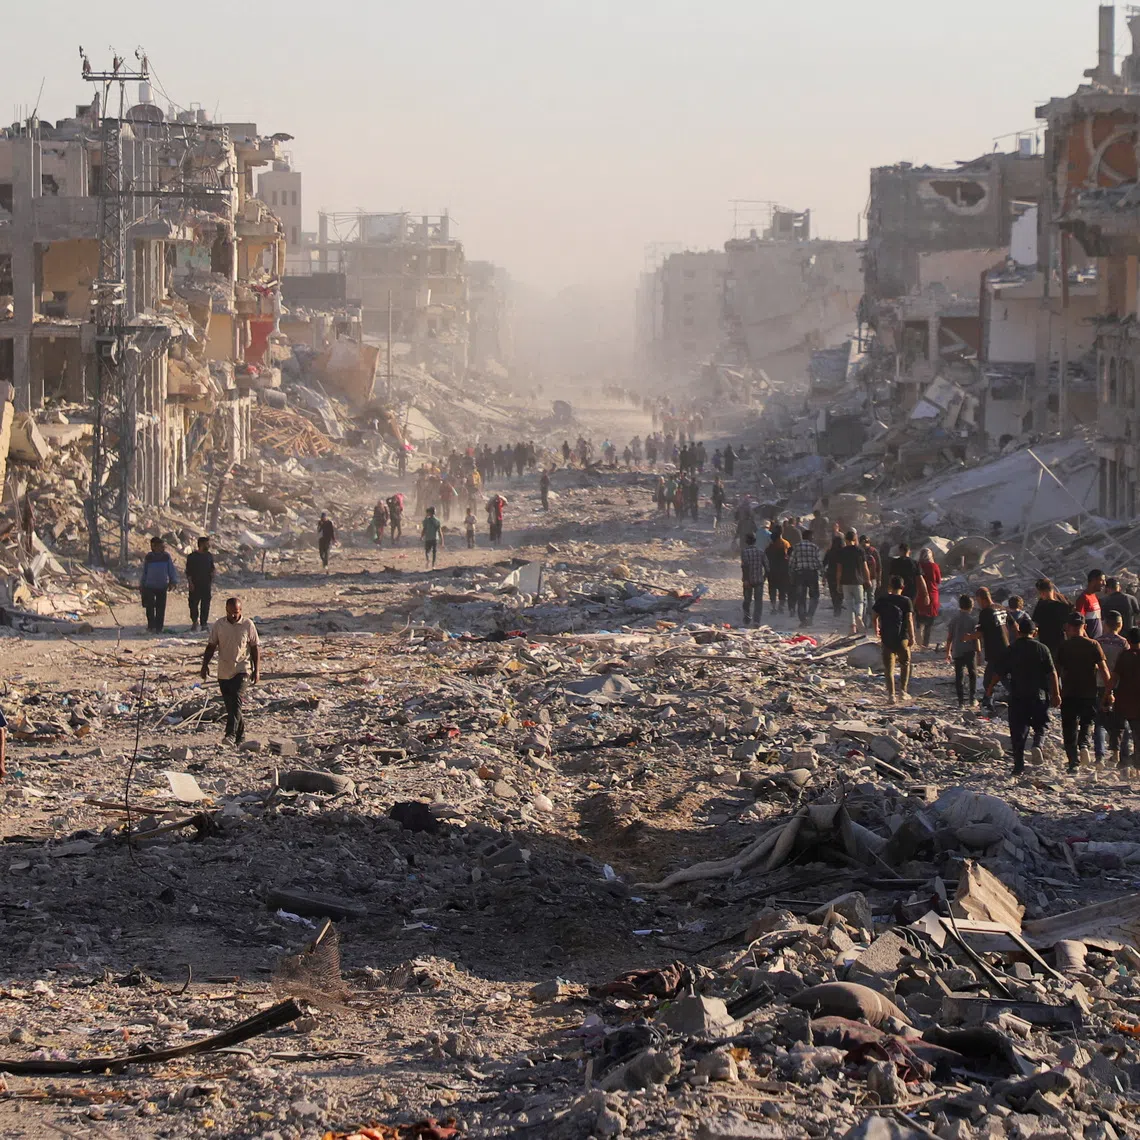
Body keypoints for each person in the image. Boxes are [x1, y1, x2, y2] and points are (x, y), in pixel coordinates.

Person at [987, 617, 1060, 775]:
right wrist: (1056, 694)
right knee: (1041, 724)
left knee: (1018, 731)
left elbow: (998, 673)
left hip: (1017, 696)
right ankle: (1037, 744)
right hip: (1039, 695)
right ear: (1035, 632)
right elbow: (1052, 673)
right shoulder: (1042, 648)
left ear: (1018, 632)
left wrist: (990, 689)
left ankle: (1018, 765)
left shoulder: (1011, 649)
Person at [1054, 613, 1112, 772]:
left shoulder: (1063, 646)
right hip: (1089, 693)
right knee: (1087, 722)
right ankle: (1084, 745)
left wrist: (1056, 692)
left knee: (1069, 727)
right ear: (1084, 627)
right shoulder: (1093, 644)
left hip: (1068, 692)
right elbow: (1104, 670)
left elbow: (1055, 672)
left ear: (1068, 627)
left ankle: (1073, 762)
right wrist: (1109, 692)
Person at [200, 596, 260, 746]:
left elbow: (254, 648)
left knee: (236, 698)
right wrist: (204, 665)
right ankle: (241, 738)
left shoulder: (248, 625)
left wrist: (256, 670)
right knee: (232, 706)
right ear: (226, 610)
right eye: (230, 612)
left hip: (242, 669)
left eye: (236, 612)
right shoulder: (219, 625)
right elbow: (211, 646)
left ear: (241, 610)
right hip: (224, 671)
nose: (233, 615)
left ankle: (230, 734)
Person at [873, 575, 915, 703]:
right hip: (902, 637)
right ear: (903, 587)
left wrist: (876, 628)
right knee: (905, 663)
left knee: (888, 668)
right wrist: (912, 637)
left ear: (890, 586)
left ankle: (891, 695)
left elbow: (874, 616)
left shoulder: (883, 599)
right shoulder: (906, 601)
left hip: (887, 638)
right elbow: (909, 620)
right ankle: (903, 691)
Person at [1096, 610, 1129, 765]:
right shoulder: (1123, 643)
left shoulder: (1098, 641)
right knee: (1121, 722)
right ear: (1120, 625)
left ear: (1105, 624)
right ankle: (1121, 754)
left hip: (1100, 683)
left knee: (1100, 721)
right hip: (1119, 685)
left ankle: (1100, 755)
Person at [974, 587, 1009, 714]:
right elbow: (1014, 626)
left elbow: (979, 633)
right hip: (1006, 648)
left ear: (981, 599)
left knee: (989, 680)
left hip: (995, 650)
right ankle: (989, 702)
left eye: (978, 600)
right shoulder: (1001, 608)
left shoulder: (986, 612)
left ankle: (989, 704)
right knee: (1003, 676)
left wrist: (967, 637)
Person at [1109, 626, 1140, 768]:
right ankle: (1137, 764)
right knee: (1138, 733)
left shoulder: (1124, 656)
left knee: (1121, 730)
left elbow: (1114, 677)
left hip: (1123, 699)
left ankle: (1123, 759)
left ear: (1128, 640)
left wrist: (1107, 694)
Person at [945, 594, 980, 707]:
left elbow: (949, 637)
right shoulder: (973, 620)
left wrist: (948, 652)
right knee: (972, 674)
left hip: (957, 651)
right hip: (970, 651)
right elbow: (976, 637)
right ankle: (972, 698)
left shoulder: (954, 619)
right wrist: (979, 652)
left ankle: (961, 702)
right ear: (972, 606)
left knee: (959, 676)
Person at [835, 529, 870, 634]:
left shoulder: (841, 552)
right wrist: (868, 579)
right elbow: (865, 568)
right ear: (855, 539)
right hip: (858, 581)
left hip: (845, 582)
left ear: (845, 540)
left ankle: (852, 627)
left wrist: (838, 583)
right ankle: (859, 616)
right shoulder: (860, 551)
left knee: (849, 604)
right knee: (860, 602)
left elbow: (839, 570)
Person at [140, 536, 177, 633]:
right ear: (154, 546)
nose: (162, 548)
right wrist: (142, 584)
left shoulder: (166, 557)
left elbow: (171, 570)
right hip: (149, 586)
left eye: (163, 546)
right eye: (160, 546)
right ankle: (151, 626)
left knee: (161, 607)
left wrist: (173, 581)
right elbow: (145, 572)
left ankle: (159, 627)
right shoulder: (149, 557)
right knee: (150, 607)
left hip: (162, 586)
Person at [1032, 578, 1072, 662]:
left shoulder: (1042, 605)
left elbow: (1035, 622)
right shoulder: (1062, 599)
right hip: (1061, 639)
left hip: (1049, 641)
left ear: (1043, 592)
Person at [788, 530, 823, 626]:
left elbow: (791, 563)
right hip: (812, 574)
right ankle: (809, 616)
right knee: (814, 596)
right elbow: (819, 562)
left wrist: (791, 574)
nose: (813, 538)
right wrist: (823, 573)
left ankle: (803, 620)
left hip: (800, 575)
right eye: (812, 536)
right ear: (810, 537)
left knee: (801, 598)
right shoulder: (814, 547)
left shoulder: (796, 547)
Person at [184, 536, 215, 633]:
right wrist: (190, 583)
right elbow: (188, 571)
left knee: (205, 604)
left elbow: (212, 568)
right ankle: (194, 621)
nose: (208, 546)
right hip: (195, 584)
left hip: (206, 584)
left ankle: (204, 624)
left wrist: (213, 573)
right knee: (193, 604)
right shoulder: (192, 557)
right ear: (201, 544)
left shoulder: (209, 556)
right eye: (207, 544)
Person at [915, 548, 942, 647]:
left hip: (919, 594)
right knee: (929, 622)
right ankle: (925, 644)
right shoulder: (934, 566)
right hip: (933, 594)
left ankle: (918, 638)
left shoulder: (918, 565)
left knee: (919, 618)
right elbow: (938, 580)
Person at [740, 533, 767, 627]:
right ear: (755, 541)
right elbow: (767, 566)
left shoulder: (744, 552)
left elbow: (745, 567)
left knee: (747, 600)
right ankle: (756, 621)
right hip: (759, 580)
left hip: (748, 580)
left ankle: (747, 617)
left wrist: (746, 579)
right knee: (758, 601)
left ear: (746, 541)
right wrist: (764, 577)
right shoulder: (761, 551)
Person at [766, 529, 791, 615]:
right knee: (782, 590)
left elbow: (766, 561)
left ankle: (774, 607)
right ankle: (781, 607)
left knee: (772, 590)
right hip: (783, 572)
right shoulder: (785, 545)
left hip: (772, 573)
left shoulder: (768, 549)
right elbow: (788, 558)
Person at [1075, 569, 1105, 639]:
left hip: (1097, 640)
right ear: (1093, 580)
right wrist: (1088, 640)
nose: (1104, 583)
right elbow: (1079, 623)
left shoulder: (1094, 596)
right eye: (1102, 580)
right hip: (1090, 641)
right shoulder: (1083, 598)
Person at [823, 533, 844, 617]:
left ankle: (836, 608)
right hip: (842, 574)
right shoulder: (844, 552)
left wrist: (823, 574)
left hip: (831, 573)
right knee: (840, 592)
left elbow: (824, 563)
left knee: (833, 591)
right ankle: (839, 606)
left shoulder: (829, 552)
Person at [860, 535, 880, 614]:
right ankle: (872, 618)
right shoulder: (874, 551)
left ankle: (863, 618)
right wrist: (879, 580)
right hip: (872, 578)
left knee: (862, 599)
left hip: (861, 578)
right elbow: (879, 567)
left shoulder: (859, 551)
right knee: (871, 598)